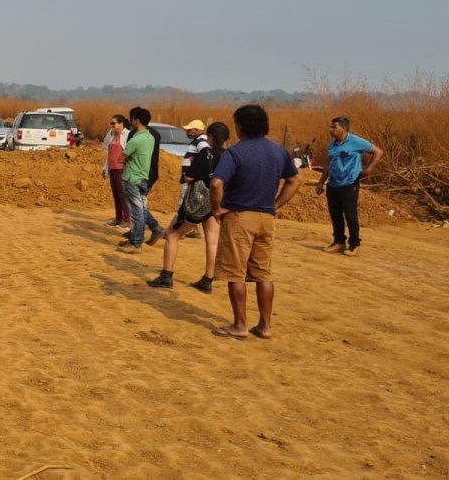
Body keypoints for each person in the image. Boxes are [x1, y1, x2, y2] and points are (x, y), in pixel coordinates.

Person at [209, 104, 301, 340]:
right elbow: (294, 180)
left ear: (240, 126)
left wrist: (217, 209)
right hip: (266, 218)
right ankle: (265, 326)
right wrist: (276, 204)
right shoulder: (278, 151)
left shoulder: (235, 152)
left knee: (235, 273)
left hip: (240, 218)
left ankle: (239, 325)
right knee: (263, 274)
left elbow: (217, 183)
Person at [148, 122, 230, 293]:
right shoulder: (230, 156)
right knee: (212, 241)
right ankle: (207, 280)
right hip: (219, 203)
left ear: (211, 137)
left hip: (199, 202)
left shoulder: (206, 155)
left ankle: (166, 275)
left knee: (172, 234)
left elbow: (189, 177)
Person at [316, 117, 384, 257]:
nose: (331, 130)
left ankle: (354, 244)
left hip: (350, 183)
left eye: (334, 127)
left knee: (350, 215)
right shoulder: (332, 145)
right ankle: (339, 242)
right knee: (335, 215)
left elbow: (378, 152)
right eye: (331, 127)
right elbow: (329, 164)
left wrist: (369, 169)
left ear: (344, 128)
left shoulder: (356, 141)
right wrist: (321, 181)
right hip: (333, 183)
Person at [117, 107, 164, 253]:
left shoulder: (135, 138)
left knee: (136, 212)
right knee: (141, 210)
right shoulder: (151, 137)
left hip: (132, 178)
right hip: (145, 177)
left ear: (136, 120)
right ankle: (136, 239)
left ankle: (136, 242)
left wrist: (128, 158)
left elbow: (120, 158)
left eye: (132, 119)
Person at [102, 115, 132, 229]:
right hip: (113, 168)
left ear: (121, 124)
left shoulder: (127, 135)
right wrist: (105, 168)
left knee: (122, 194)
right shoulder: (111, 135)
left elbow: (129, 152)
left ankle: (127, 220)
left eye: (114, 123)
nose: (112, 126)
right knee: (116, 195)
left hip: (122, 169)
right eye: (111, 123)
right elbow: (109, 152)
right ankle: (118, 219)